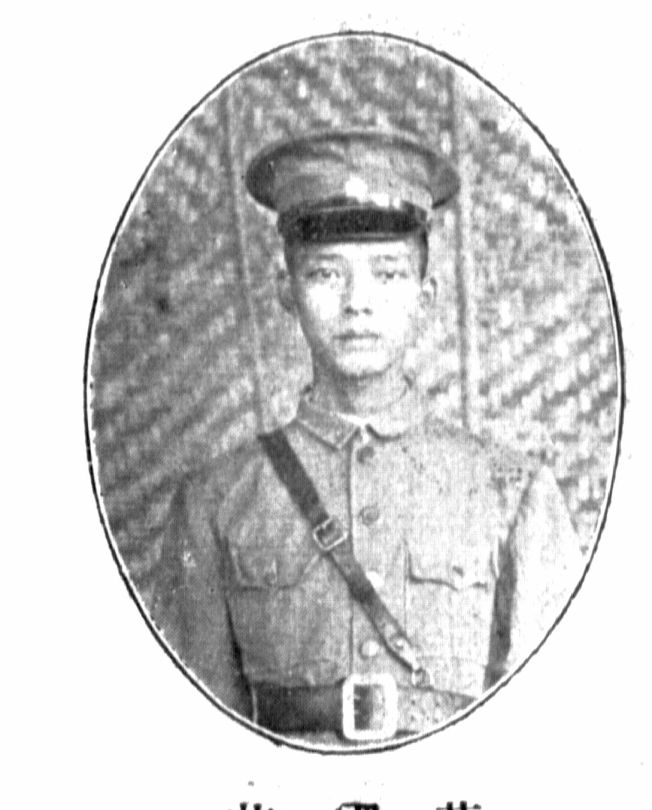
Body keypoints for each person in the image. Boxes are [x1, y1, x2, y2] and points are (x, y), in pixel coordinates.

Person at [151, 128, 582, 745]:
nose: (358, 303)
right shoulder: (214, 502)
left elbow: (555, 732)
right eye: (326, 273)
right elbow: (193, 740)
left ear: (426, 297)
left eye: (387, 273)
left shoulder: (515, 495)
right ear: (287, 292)